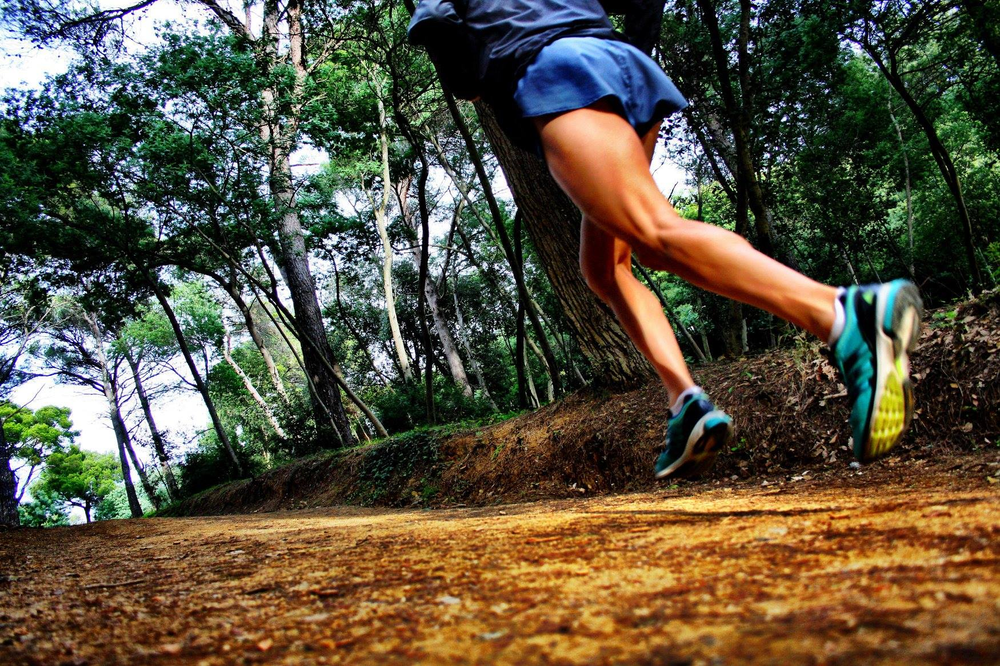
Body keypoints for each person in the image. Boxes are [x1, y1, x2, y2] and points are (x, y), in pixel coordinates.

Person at [408, 0, 923, 478]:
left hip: (555, 71)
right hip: (620, 64)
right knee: (604, 268)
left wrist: (474, 83)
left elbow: (439, 25)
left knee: (655, 233)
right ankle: (685, 403)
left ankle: (843, 315)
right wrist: (632, 48)